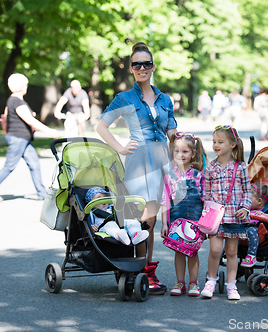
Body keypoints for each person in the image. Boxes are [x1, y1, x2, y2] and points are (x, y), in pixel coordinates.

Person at [96, 42, 178, 295]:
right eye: (136, 64)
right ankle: (138, 270)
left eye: (146, 64)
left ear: (153, 67)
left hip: (162, 158)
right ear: (131, 69)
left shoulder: (165, 99)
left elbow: (172, 131)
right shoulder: (125, 98)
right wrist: (120, 148)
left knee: (152, 219)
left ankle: (146, 271)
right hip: (138, 161)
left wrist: (181, 152)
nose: (141, 68)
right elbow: (101, 126)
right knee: (141, 217)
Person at [0, 73, 58, 203]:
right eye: (25, 84)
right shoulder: (17, 101)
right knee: (9, 166)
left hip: (22, 139)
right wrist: (50, 131)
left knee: (34, 164)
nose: (27, 87)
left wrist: (7, 133)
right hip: (18, 139)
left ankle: (42, 192)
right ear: (21, 86)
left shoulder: (13, 100)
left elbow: (5, 118)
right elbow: (30, 120)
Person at [201, 125, 252, 300]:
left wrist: (245, 208)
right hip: (215, 218)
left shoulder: (240, 167)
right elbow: (206, 193)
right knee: (215, 250)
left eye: (220, 142)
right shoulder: (210, 168)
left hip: (234, 217)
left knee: (231, 252)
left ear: (232, 144)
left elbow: (247, 191)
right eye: (214, 141)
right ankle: (211, 281)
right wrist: (206, 210)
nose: (215, 145)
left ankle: (232, 285)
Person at [160, 132, 207, 297]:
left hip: (194, 220)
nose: (180, 155)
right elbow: (165, 201)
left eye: (185, 151)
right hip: (176, 219)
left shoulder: (199, 175)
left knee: (192, 251)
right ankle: (180, 282)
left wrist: (206, 223)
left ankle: (194, 283)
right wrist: (165, 223)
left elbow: (206, 200)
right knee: (179, 251)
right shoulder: (169, 176)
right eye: (176, 151)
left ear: (193, 154)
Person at [85, 187, 149, 245]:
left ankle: (135, 234)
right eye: (99, 198)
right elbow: (86, 221)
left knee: (133, 222)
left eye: (105, 197)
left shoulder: (112, 207)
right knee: (111, 225)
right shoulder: (91, 212)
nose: (103, 200)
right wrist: (91, 226)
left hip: (119, 222)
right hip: (104, 225)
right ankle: (119, 236)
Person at [240, 183, 268, 267]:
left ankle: (251, 256)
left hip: (262, 236)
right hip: (244, 236)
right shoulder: (245, 209)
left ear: (259, 201)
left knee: (251, 230)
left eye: (248, 199)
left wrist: (265, 216)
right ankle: (232, 251)